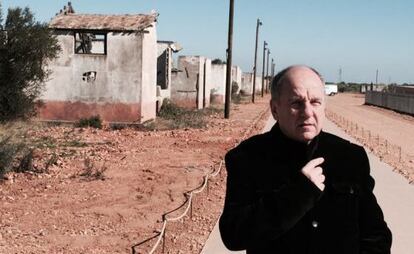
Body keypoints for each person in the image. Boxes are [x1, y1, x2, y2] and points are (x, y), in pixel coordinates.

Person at [219, 65, 392, 253]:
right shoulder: (248, 157)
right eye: (296, 103)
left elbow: (376, 234)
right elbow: (233, 235)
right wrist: (298, 194)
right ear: (275, 109)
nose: (308, 112)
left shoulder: (350, 157)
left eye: (315, 102)